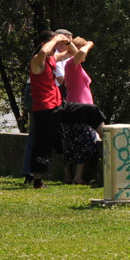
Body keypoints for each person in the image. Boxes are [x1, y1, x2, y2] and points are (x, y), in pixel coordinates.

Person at [26, 30, 105, 188]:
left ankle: (109, 142)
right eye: (54, 45)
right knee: (44, 144)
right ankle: (37, 180)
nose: (56, 48)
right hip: (45, 110)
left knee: (91, 110)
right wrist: (55, 39)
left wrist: (68, 43)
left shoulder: (52, 59)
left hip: (59, 105)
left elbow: (74, 54)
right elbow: (43, 51)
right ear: (46, 43)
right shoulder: (37, 61)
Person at [58, 35, 100, 184]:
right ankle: (78, 177)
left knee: (71, 142)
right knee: (86, 141)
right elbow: (81, 54)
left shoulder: (73, 66)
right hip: (81, 108)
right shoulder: (71, 64)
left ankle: (69, 176)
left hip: (73, 106)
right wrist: (89, 44)